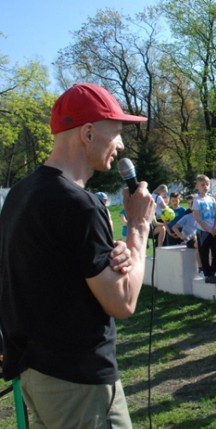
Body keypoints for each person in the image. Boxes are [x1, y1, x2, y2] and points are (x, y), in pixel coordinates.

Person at [0, 82, 153, 427]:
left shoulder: (20, 195)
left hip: (35, 378)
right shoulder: (78, 205)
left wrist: (121, 251)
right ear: (87, 133)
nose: (122, 145)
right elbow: (123, 302)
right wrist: (139, 228)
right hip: (78, 384)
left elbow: (56, 274)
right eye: (116, 132)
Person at [192, 174, 216, 284]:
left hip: (214, 230)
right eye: (202, 185)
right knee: (204, 254)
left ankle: (212, 272)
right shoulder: (197, 200)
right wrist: (208, 229)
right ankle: (207, 274)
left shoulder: (212, 199)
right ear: (197, 186)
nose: (205, 187)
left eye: (207, 184)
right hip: (203, 232)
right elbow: (197, 217)